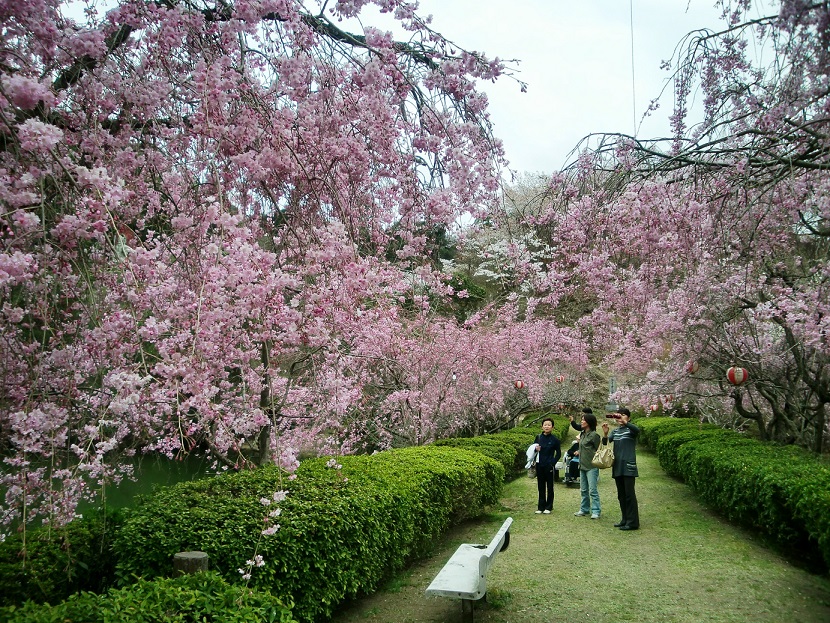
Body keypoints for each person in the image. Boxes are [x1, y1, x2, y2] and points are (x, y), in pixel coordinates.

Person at [601, 407, 640, 530]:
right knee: (621, 495)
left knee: (629, 495)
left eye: (624, 415)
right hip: (617, 466)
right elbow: (605, 443)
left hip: (628, 466)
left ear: (628, 417)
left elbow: (637, 430)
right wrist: (606, 433)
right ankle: (624, 519)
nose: (621, 417)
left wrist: (626, 423)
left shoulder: (630, 430)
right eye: (619, 415)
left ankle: (633, 522)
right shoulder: (616, 432)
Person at [568, 408, 602, 519]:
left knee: (592, 490)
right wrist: (579, 451)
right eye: (581, 419)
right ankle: (584, 509)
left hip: (592, 466)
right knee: (583, 490)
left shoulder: (594, 435)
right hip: (582, 465)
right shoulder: (582, 435)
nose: (581, 421)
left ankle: (596, 511)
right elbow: (582, 447)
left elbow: (599, 450)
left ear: (589, 422)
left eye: (583, 420)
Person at [534, 417, 562, 514]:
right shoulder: (538, 437)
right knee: (540, 486)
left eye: (549, 425)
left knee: (550, 486)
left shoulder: (555, 440)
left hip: (549, 466)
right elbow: (532, 450)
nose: (547, 426)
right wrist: (535, 449)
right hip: (539, 465)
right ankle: (541, 506)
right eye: (545, 425)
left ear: (552, 427)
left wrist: (552, 463)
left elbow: (558, 453)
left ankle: (549, 507)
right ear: (542, 426)